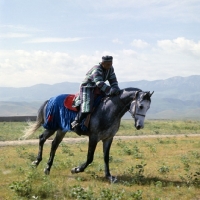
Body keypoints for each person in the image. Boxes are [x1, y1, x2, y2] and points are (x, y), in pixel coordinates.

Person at [71, 55, 120, 129]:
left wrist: (116, 88)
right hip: (87, 87)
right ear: (103, 63)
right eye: (108, 64)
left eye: (111, 64)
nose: (110, 66)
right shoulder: (97, 68)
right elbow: (99, 82)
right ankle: (76, 121)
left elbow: (113, 80)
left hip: (99, 88)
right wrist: (110, 90)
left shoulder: (110, 68)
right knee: (87, 105)